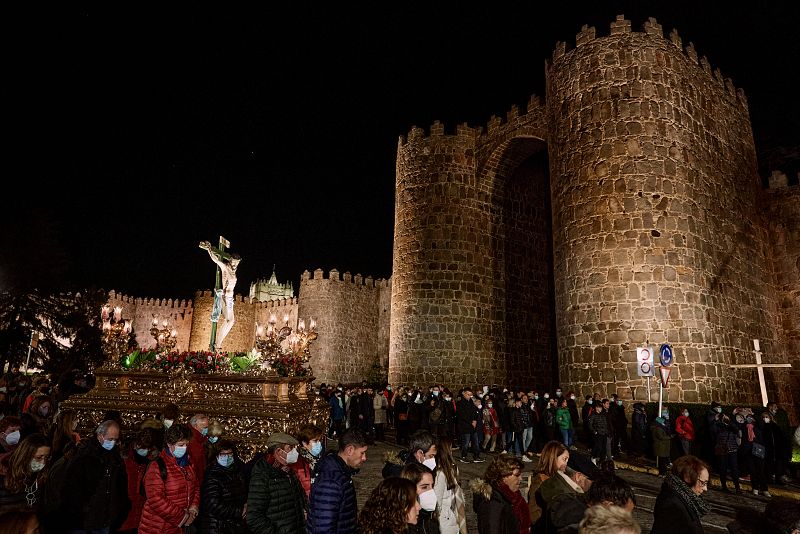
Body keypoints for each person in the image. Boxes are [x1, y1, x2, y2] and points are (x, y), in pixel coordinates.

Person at [59, 420, 130, 532]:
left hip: (105, 518)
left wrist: (119, 510)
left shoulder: (116, 459)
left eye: (115, 440)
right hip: (82, 519)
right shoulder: (84, 456)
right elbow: (70, 487)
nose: (112, 442)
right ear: (100, 436)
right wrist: (80, 509)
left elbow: (121, 488)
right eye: (110, 439)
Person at [138, 423, 200, 534]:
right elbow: (156, 499)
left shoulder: (188, 463)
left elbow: (195, 486)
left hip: (177, 528)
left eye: (186, 444)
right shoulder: (157, 466)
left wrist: (193, 508)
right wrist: (183, 517)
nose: (184, 448)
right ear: (169, 444)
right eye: (181, 445)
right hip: (157, 526)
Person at [307, 427, 369, 534]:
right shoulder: (331, 480)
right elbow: (323, 526)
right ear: (350, 450)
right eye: (362, 453)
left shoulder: (341, 472)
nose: (364, 458)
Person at [246, 431, 305, 533]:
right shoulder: (263, 475)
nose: (295, 452)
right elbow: (254, 517)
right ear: (278, 451)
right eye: (290, 448)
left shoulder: (288, 470)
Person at [471, 455, 531, 534]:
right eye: (517, 475)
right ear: (503, 476)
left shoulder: (513, 497)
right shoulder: (492, 503)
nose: (521, 478)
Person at [651, 454, 710, 534]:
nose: (705, 488)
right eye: (703, 483)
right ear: (688, 478)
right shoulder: (672, 504)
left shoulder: (687, 499)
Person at [118, 428, 162, 533]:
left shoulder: (153, 463)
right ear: (135, 444)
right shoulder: (123, 461)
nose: (145, 450)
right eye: (142, 447)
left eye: (148, 448)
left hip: (142, 513)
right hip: (124, 512)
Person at [199, 240, 241, 349]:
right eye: (234, 262)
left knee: (231, 321)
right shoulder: (225, 267)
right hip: (226, 297)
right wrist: (209, 250)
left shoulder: (234, 271)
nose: (235, 264)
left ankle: (218, 344)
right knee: (229, 320)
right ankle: (217, 345)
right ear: (230, 261)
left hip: (230, 298)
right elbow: (216, 260)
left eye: (237, 263)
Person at [200, 439, 248, 533]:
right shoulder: (211, 474)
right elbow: (213, 505)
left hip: (232, 524)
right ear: (216, 455)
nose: (227, 457)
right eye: (223, 454)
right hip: (217, 526)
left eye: (230, 454)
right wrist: (240, 511)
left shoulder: (236, 471)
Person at [0, 433, 50, 512]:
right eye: (38, 457)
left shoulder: (41, 476)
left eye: (46, 458)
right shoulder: (4, 475)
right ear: (26, 455)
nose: (43, 462)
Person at [432, 436, 467, 534]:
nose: (452, 451)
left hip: (452, 517)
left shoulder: (453, 469)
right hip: (445, 521)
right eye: (450, 448)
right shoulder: (440, 474)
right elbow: (437, 502)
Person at [401, 462, 440, 534]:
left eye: (433, 486)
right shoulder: (404, 524)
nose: (432, 491)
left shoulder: (432, 516)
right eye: (424, 487)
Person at [290, 423, 325, 498]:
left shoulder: (320, 459)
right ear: (305, 443)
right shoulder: (298, 462)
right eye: (315, 441)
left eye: (320, 440)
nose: (319, 444)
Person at [713, 414, 742, 493]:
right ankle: (724, 487)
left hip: (732, 449)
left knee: (734, 468)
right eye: (723, 417)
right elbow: (714, 431)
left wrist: (729, 421)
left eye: (726, 416)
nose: (725, 418)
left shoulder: (731, 425)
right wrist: (716, 421)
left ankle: (737, 487)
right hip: (722, 449)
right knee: (723, 468)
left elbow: (736, 430)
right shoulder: (718, 425)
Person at [457, 388, 483, 463]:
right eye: (468, 394)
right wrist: (471, 422)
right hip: (465, 426)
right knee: (466, 442)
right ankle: (463, 456)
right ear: (464, 394)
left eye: (471, 395)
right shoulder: (460, 403)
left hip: (473, 426)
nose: (469, 396)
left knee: (475, 441)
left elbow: (475, 412)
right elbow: (462, 415)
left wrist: (475, 420)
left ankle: (476, 456)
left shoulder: (471, 402)